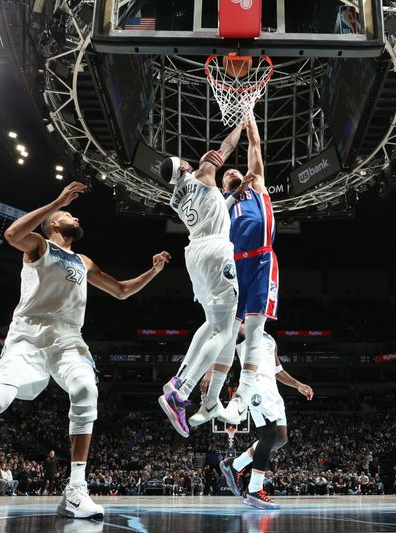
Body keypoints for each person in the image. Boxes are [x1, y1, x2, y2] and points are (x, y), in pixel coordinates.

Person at [0, 181, 171, 519]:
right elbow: (12, 234)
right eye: (67, 214)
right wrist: (56, 200)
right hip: (28, 336)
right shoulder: (39, 246)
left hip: (69, 339)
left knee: (86, 388)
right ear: (54, 223)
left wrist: (154, 271)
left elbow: (122, 291)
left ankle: (75, 491)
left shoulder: (84, 261)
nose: (74, 217)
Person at [157, 125, 246, 437]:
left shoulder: (177, 196)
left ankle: (178, 378)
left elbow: (216, 205)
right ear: (183, 166)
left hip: (194, 254)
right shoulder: (205, 172)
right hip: (216, 251)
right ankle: (181, 393)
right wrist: (242, 123)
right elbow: (228, 145)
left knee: (210, 323)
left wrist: (232, 195)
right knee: (225, 330)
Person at [192, 117, 279, 428]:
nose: (231, 171)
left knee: (254, 331)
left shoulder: (257, 190)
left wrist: (249, 117)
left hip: (260, 261)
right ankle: (210, 400)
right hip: (232, 265)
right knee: (227, 333)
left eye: (235, 170)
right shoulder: (220, 202)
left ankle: (241, 399)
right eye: (227, 171)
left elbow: (255, 146)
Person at [217, 327, 313, 509]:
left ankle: (234, 464)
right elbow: (222, 340)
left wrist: (298, 384)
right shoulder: (244, 329)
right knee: (268, 432)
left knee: (281, 438)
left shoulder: (270, 338)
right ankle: (254, 490)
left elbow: (278, 370)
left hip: (272, 388)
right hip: (255, 385)